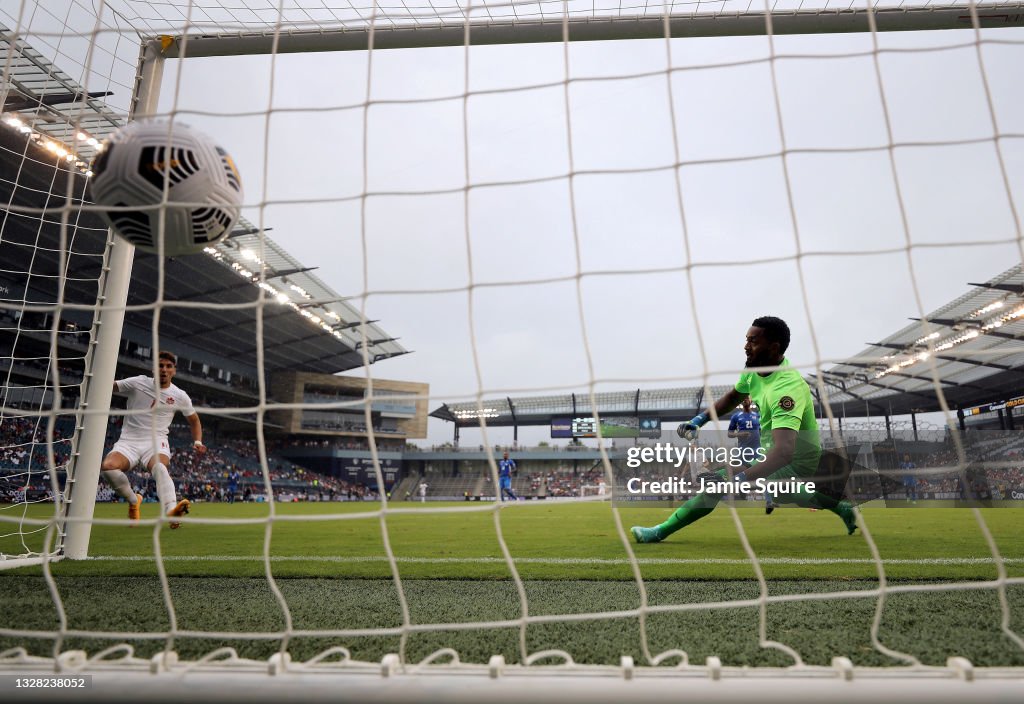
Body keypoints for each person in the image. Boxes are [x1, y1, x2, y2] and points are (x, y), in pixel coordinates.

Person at [631, 316, 856, 543]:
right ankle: (841, 507)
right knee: (781, 492)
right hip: (768, 450)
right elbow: (731, 398)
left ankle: (659, 532)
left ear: (774, 347)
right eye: (747, 340)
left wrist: (738, 481)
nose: (746, 346)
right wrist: (699, 420)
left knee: (722, 482)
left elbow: (785, 452)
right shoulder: (754, 370)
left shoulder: (787, 388)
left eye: (753, 341)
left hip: (798, 457)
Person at [101, 351, 203, 528]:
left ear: (174, 371)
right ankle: (134, 500)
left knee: (160, 468)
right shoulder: (138, 382)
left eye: (168, 366)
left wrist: (198, 442)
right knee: (108, 468)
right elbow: (110, 386)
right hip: (129, 441)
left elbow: (194, 420)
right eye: (160, 365)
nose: (164, 369)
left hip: (156, 442)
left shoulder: (179, 395)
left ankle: (172, 512)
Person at [729, 396, 772, 513]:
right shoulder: (736, 416)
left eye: (747, 398)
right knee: (741, 473)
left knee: (764, 473)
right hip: (743, 450)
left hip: (757, 449)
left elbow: (763, 430)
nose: (745, 400)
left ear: (750, 400)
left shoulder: (757, 416)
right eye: (742, 398)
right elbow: (729, 434)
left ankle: (769, 501)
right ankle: (741, 488)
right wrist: (739, 435)